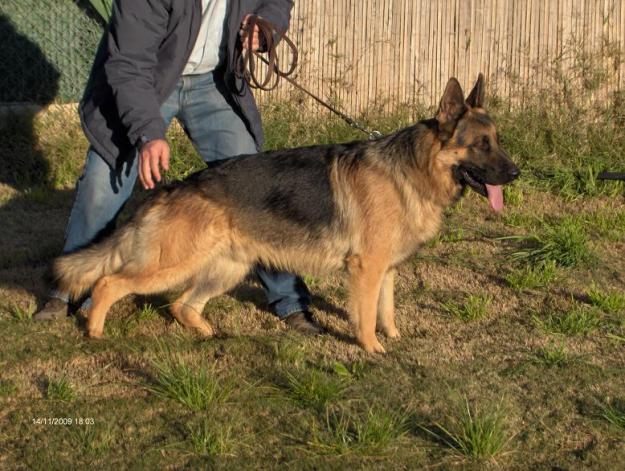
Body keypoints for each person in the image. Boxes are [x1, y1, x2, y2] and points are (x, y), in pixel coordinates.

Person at [34, 0, 322, 334]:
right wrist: (148, 132)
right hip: (146, 82)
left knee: (254, 187)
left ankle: (289, 301)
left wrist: (267, 25)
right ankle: (67, 291)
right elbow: (128, 64)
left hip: (212, 82)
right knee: (103, 185)